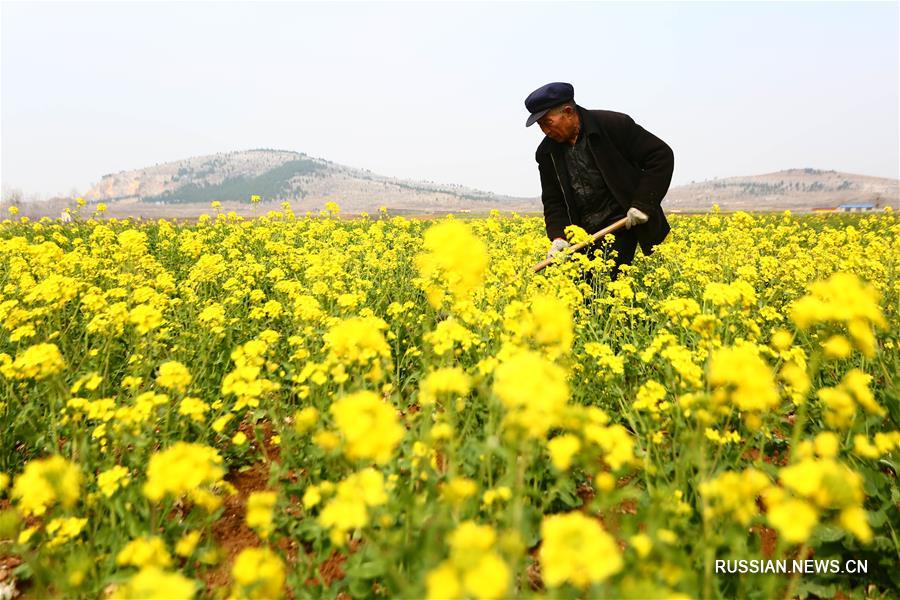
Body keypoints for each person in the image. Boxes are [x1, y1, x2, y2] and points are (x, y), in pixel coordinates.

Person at [525, 82, 674, 280]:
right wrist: (559, 236)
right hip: (583, 236)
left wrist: (644, 204)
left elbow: (660, 156)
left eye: (547, 122)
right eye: (540, 126)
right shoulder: (547, 152)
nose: (545, 131)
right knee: (584, 291)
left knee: (610, 284)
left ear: (568, 112)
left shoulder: (613, 125)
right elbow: (554, 200)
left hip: (623, 225)